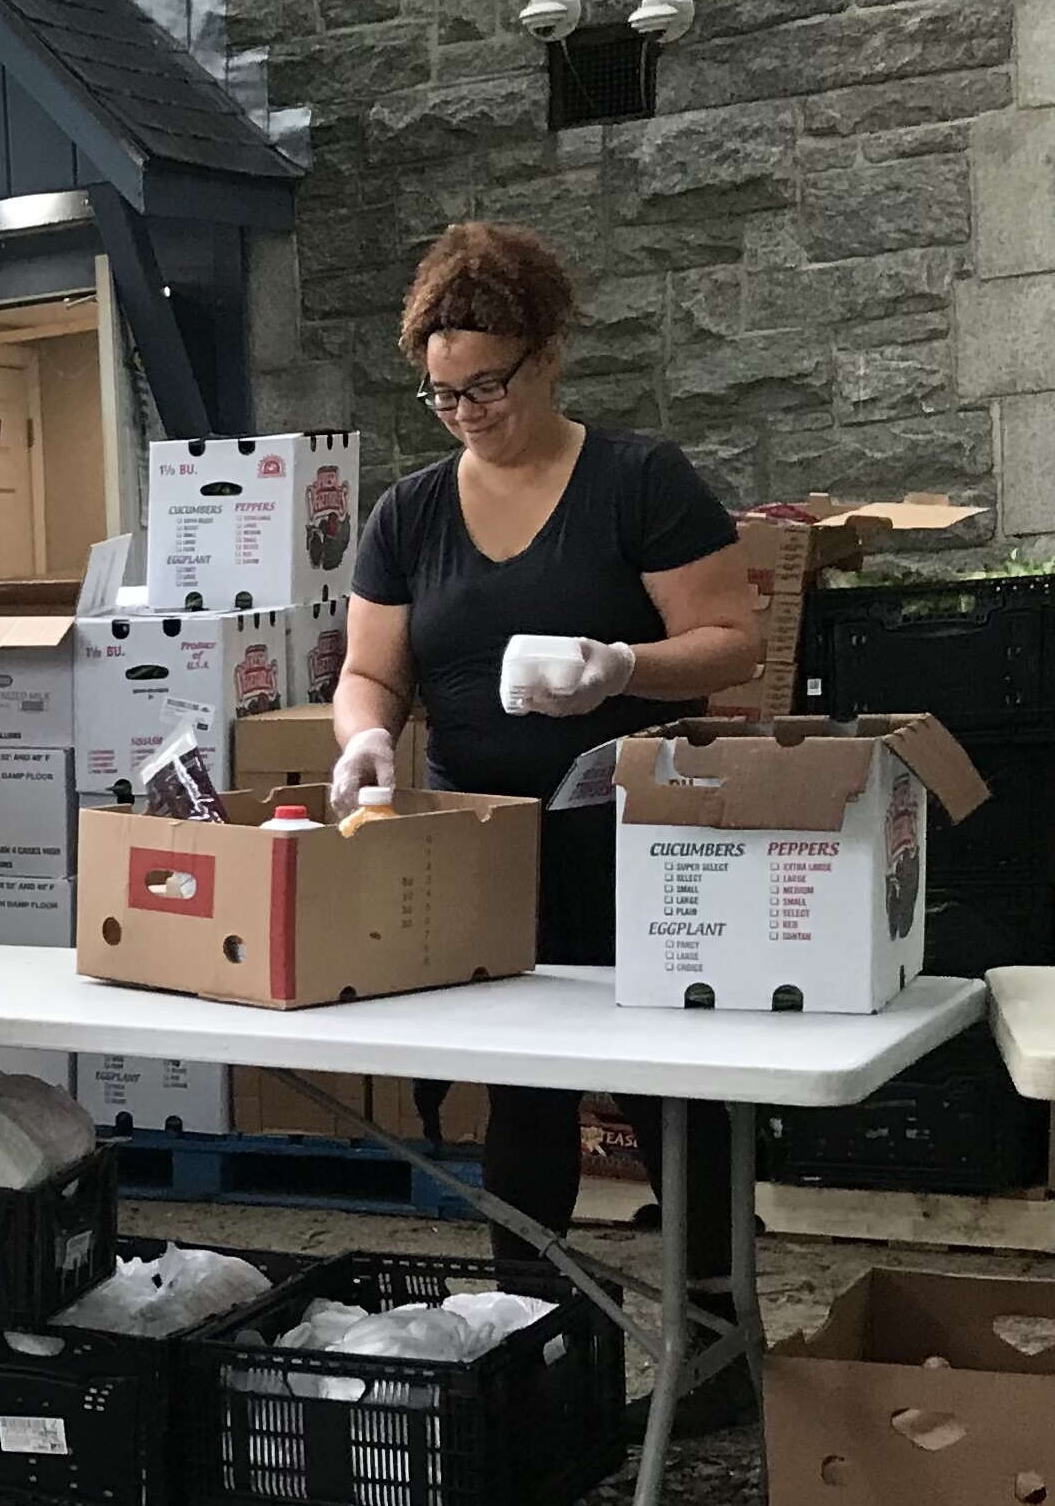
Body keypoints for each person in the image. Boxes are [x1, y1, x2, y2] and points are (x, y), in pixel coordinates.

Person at [331, 222, 762, 1432]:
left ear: (550, 354)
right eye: (441, 391)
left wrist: (619, 661)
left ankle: (719, 1342)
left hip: (644, 837)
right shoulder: (411, 512)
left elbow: (734, 639)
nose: (466, 410)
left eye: (488, 383)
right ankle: (528, 1334)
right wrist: (360, 735)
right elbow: (371, 669)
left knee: (684, 1090)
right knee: (521, 1095)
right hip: (489, 846)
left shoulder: (638, 480)